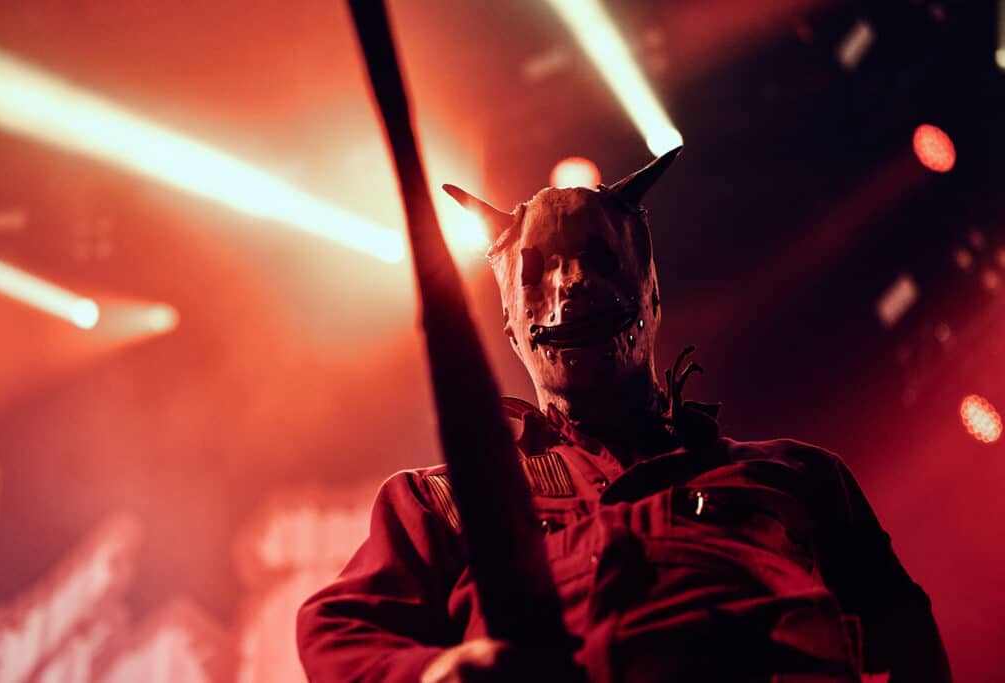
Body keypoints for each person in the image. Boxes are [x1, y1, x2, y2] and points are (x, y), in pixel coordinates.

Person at [297, 148, 951, 682]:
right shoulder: (444, 499)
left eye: (600, 258)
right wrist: (430, 673)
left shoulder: (799, 477)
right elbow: (341, 627)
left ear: (652, 293)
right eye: (536, 273)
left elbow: (908, 641)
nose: (569, 285)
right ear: (510, 326)